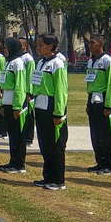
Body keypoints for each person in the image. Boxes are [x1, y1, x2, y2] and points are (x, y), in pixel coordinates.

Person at [32, 34, 69, 190]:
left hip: (52, 106)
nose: (38, 47)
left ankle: (58, 179)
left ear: (51, 46)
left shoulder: (57, 64)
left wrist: (58, 113)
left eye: (41, 45)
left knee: (55, 145)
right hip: (40, 105)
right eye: (38, 45)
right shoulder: (40, 63)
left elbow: (61, 90)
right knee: (45, 144)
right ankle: (47, 177)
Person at [85, 34, 111, 175]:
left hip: (104, 100)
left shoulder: (107, 61)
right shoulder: (90, 61)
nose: (90, 45)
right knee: (95, 134)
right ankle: (100, 162)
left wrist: (108, 105)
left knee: (106, 135)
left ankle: (109, 166)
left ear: (100, 44)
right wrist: (88, 101)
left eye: (92, 43)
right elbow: (90, 83)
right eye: (89, 43)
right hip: (92, 99)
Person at [0, 37, 28, 173]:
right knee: (12, 134)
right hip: (7, 101)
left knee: (18, 134)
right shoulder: (8, 62)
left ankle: (19, 164)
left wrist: (17, 106)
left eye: (6, 46)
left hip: (15, 104)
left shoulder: (18, 63)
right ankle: (12, 161)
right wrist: (3, 104)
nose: (4, 49)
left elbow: (20, 86)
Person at [20, 37, 36, 146]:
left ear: (24, 46)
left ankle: (28, 138)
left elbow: (30, 76)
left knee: (29, 115)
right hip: (19, 91)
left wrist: (29, 92)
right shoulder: (17, 58)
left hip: (26, 91)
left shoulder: (28, 59)